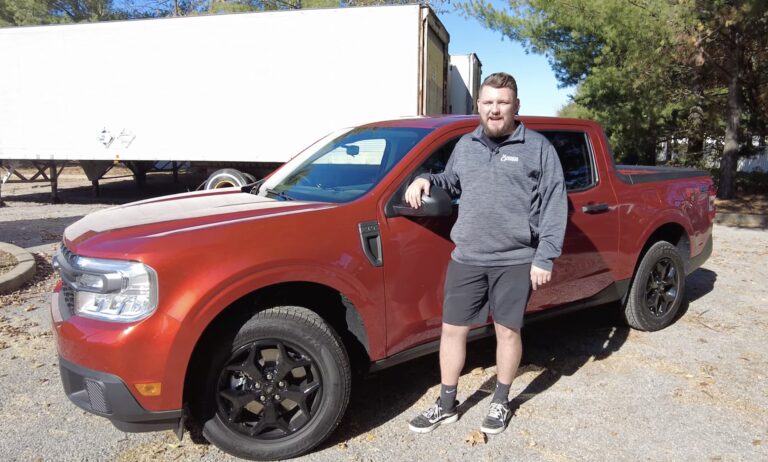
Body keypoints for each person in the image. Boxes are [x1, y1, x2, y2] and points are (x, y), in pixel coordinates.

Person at [406, 72, 567, 435]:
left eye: (503, 102)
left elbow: (556, 205)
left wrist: (545, 256)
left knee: (507, 332)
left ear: (516, 106)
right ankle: (447, 403)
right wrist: (425, 178)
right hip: (467, 257)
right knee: (451, 331)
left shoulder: (539, 148)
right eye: (488, 102)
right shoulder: (466, 145)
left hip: (514, 259)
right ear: (479, 105)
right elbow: (451, 180)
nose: (495, 110)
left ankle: (501, 400)